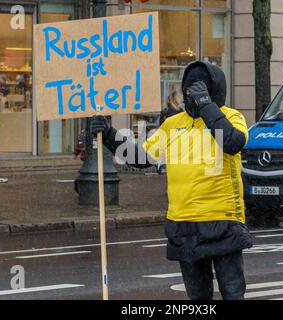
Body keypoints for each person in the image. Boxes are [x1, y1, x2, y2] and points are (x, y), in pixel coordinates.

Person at [91, 61, 253, 300]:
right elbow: (140, 158)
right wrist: (109, 135)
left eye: (198, 90)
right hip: (183, 223)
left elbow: (233, 142)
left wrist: (207, 106)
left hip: (222, 220)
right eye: (188, 91)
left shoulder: (231, 117)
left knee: (232, 293)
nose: (191, 96)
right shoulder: (172, 124)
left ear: (213, 91)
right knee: (197, 297)